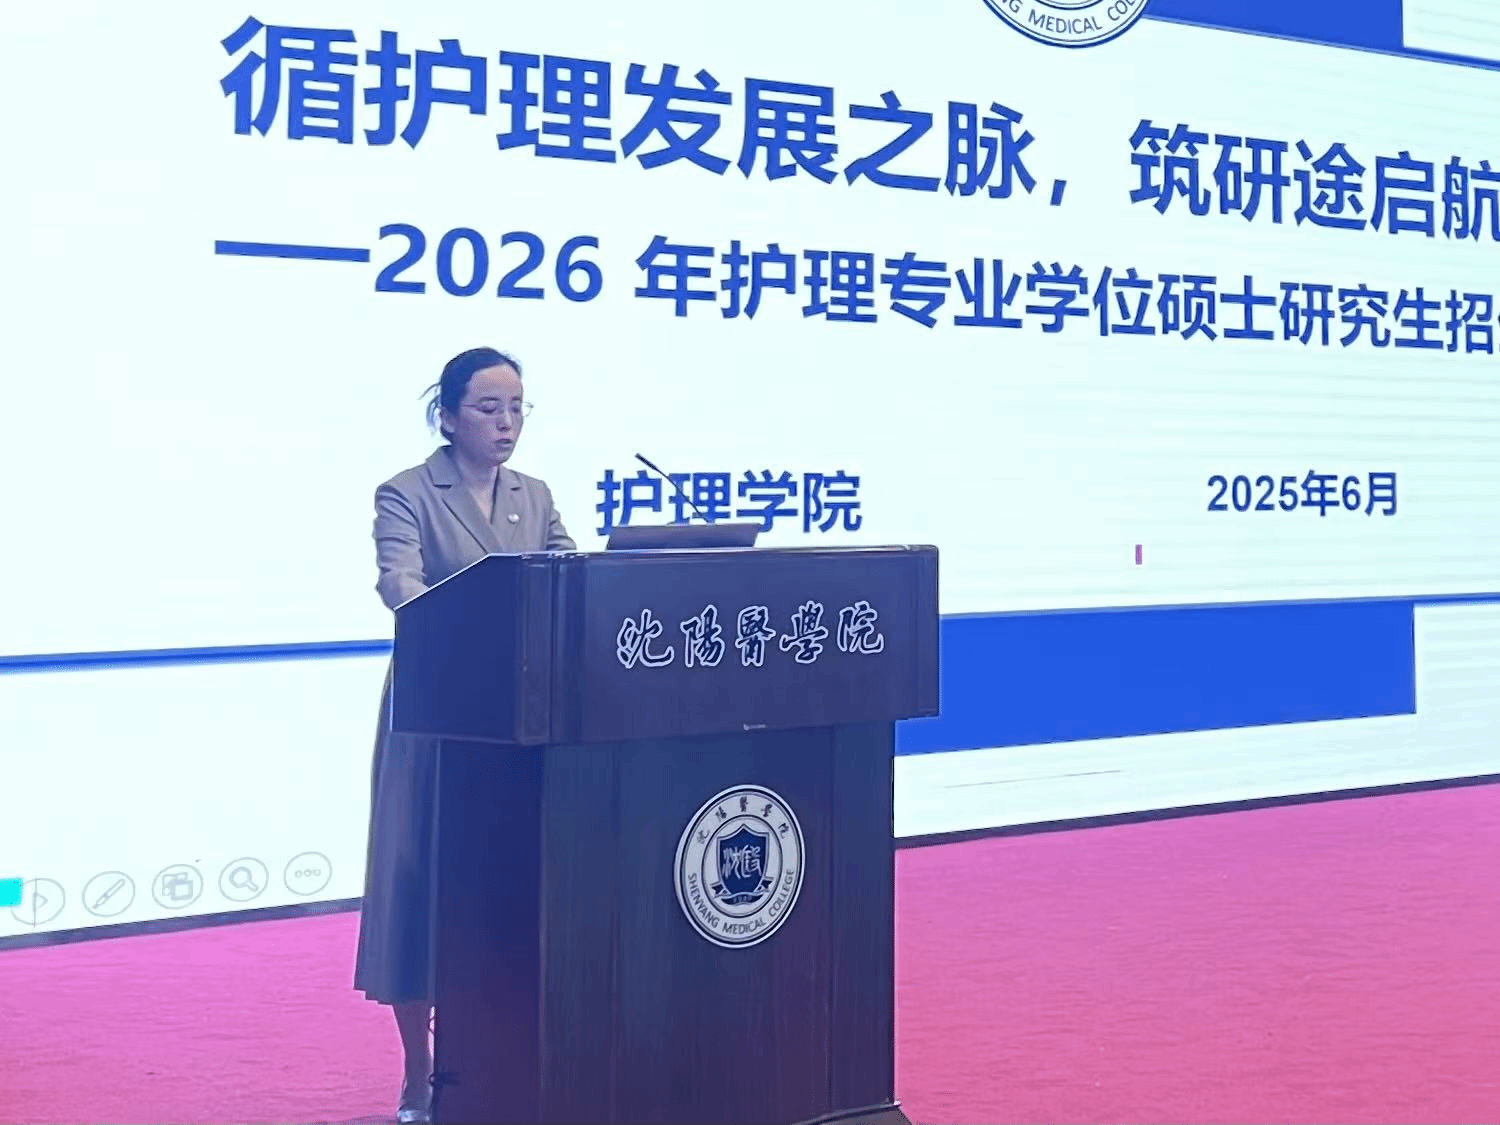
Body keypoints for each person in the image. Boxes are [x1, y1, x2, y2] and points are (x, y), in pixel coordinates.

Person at [354, 347, 575, 1125]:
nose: (506, 422)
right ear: (447, 416)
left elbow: (569, 576)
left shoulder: (534, 495)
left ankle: (507, 1059)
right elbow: (399, 582)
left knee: (511, 888)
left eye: (517, 407)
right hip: (437, 712)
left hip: (522, 719)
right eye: (488, 408)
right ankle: (421, 1072)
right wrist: (460, 626)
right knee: (420, 886)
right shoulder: (407, 491)